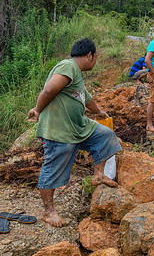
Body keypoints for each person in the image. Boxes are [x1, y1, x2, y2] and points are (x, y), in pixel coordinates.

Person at [27, 38, 122, 227]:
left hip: (78, 126)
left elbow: (86, 98)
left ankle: (99, 174)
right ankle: (49, 212)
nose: (96, 61)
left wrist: (100, 112)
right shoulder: (68, 66)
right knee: (53, 168)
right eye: (96, 57)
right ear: (89, 55)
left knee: (105, 135)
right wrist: (37, 110)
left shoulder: (76, 74)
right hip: (60, 129)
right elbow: (49, 90)